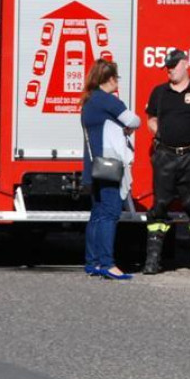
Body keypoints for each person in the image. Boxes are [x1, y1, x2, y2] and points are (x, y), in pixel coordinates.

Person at [142, 48, 190, 275]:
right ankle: (153, 260)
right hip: (165, 156)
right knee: (160, 206)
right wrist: (160, 134)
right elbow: (151, 119)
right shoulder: (159, 92)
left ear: (186, 64)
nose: (169, 70)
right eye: (167, 67)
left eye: (174, 65)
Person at [80, 59, 140, 280]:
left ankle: (93, 262)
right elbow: (135, 120)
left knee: (97, 214)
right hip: (110, 167)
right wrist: (126, 128)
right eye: (117, 78)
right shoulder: (107, 101)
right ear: (110, 79)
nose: (118, 83)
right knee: (110, 213)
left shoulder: (89, 101)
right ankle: (108, 264)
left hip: (94, 166)